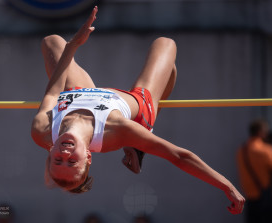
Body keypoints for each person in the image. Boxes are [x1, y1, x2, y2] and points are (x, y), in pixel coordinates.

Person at [31, 6, 245, 214]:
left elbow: (52, 95)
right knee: (165, 44)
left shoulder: (42, 129)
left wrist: (74, 44)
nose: (65, 154)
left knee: (52, 42)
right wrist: (227, 186)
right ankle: (142, 139)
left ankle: (139, 138)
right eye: (72, 161)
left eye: (58, 160)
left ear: (50, 152)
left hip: (79, 93)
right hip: (136, 105)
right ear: (88, 156)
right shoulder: (117, 131)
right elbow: (178, 156)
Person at [237, 119, 272, 222]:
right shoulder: (266, 150)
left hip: (249, 199)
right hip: (266, 199)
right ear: (260, 132)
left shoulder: (241, 151)